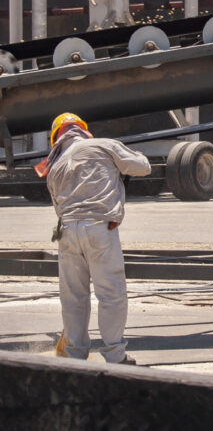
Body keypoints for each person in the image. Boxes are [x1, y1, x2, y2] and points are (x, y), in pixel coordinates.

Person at [35, 112, 152, 365]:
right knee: (111, 294)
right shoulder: (103, 145)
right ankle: (115, 356)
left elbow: (57, 204)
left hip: (67, 231)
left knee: (74, 297)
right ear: (83, 130)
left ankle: (75, 356)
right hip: (100, 228)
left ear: (56, 137)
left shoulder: (54, 163)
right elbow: (143, 167)